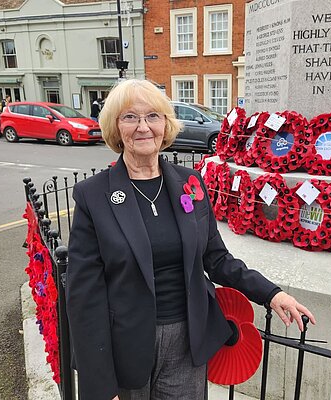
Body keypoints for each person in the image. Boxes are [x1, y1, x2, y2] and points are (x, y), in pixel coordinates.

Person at [66, 79, 315, 400]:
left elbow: (217, 259)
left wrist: (271, 294)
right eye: (130, 117)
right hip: (124, 347)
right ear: (115, 128)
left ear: (166, 124)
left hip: (187, 342)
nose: (143, 127)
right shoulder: (93, 195)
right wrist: (100, 385)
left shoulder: (190, 183)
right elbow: (84, 295)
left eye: (153, 116)